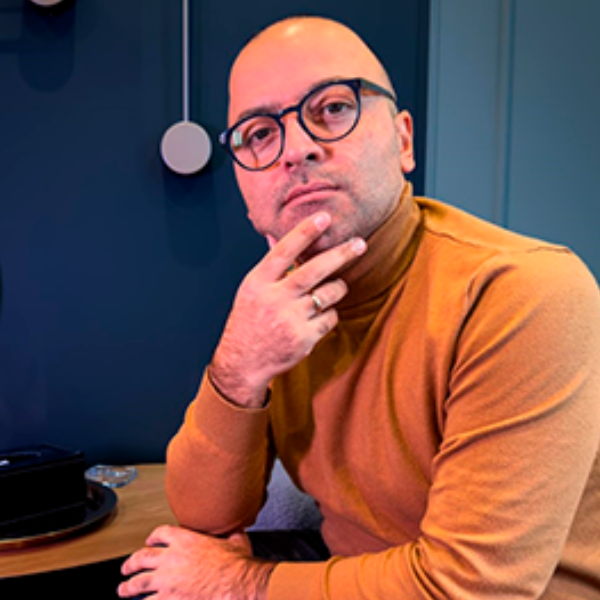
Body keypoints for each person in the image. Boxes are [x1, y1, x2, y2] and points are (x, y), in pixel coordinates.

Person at [118, 15, 600, 600]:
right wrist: (239, 367)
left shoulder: (524, 292)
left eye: (332, 108)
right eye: (260, 133)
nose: (296, 149)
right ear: (245, 190)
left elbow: (471, 589)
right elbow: (204, 517)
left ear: (403, 141)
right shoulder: (280, 307)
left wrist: (240, 583)